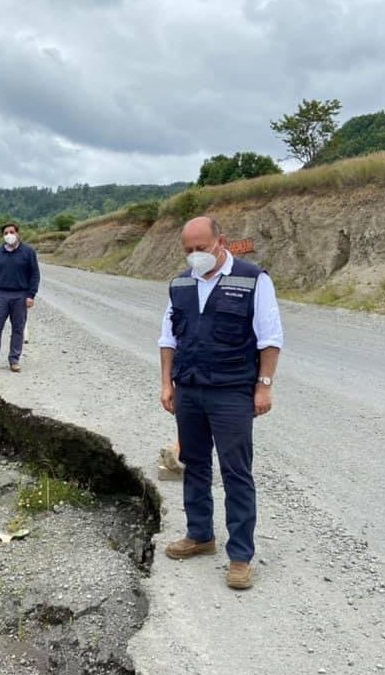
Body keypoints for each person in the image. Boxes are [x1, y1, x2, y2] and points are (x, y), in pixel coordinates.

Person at [158, 216, 283, 590]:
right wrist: (167, 383)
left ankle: (241, 555)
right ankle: (200, 535)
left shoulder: (252, 279)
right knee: (194, 464)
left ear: (221, 241)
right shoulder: (180, 284)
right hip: (190, 389)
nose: (196, 256)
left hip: (232, 392)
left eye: (202, 248)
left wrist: (264, 386)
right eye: (188, 250)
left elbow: (271, 337)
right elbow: (168, 338)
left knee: (236, 471)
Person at [0, 222, 40, 373]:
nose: (9, 235)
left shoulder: (28, 252)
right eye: (6, 233)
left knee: (18, 328)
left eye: (12, 232)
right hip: (1, 295)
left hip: (20, 295)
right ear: (2, 236)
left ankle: (14, 360)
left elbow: (34, 275)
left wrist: (31, 295)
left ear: (18, 233)